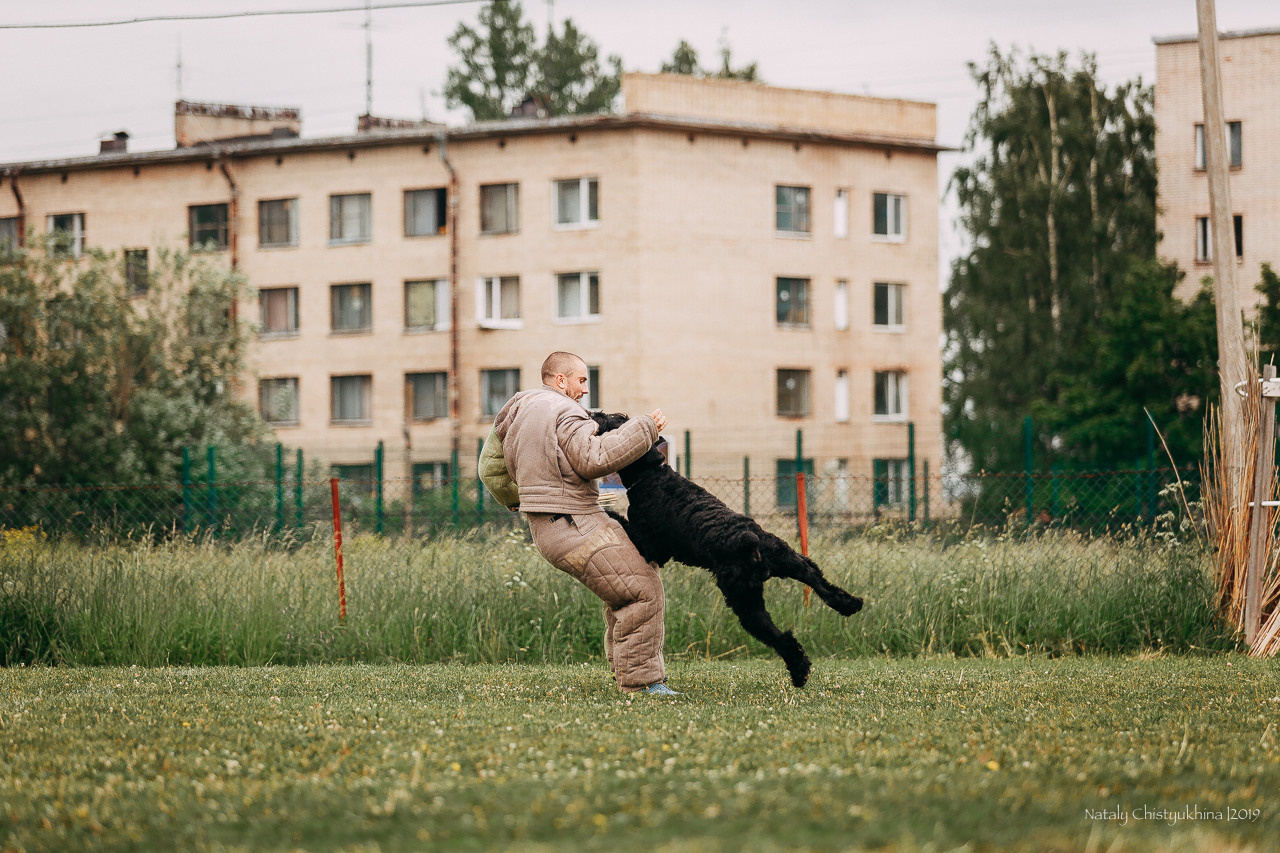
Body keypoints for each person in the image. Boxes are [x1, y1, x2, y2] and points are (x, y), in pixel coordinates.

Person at [487, 351, 678, 696]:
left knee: (633, 578)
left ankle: (630, 672)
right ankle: (642, 684)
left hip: (550, 527)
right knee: (642, 591)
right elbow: (595, 458)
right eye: (581, 380)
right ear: (560, 380)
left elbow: (489, 469)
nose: (585, 390)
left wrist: (520, 499)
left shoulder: (516, 410)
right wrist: (645, 428)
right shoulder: (565, 411)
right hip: (575, 523)